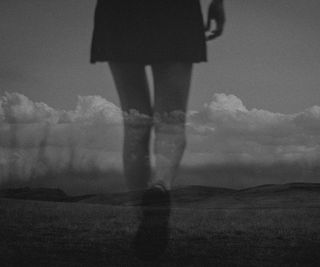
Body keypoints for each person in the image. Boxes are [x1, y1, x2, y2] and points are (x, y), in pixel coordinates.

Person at [90, 0, 225, 260]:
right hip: (175, 10)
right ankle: (160, 186)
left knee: (135, 122)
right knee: (171, 121)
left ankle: (144, 220)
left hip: (118, 10)